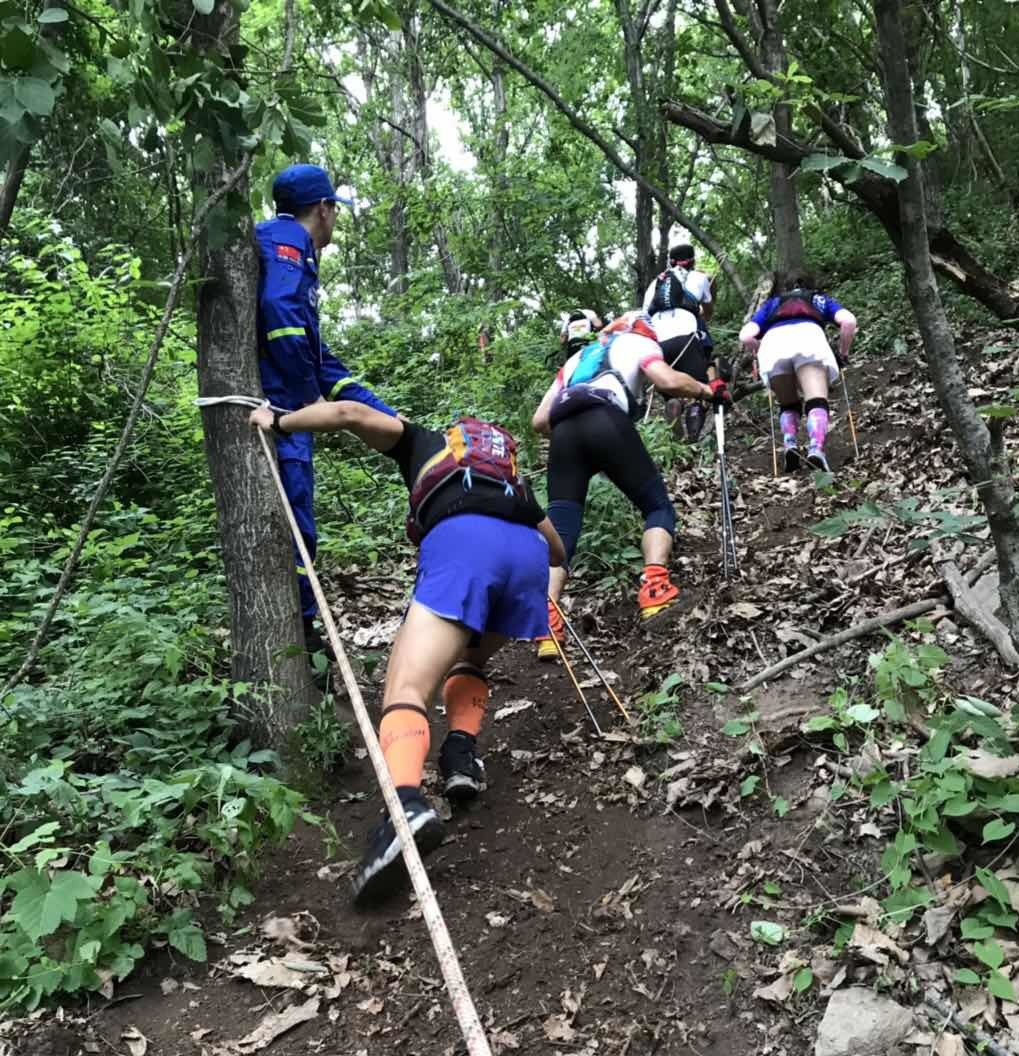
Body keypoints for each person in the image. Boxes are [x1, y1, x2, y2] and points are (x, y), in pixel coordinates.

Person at [248, 398, 566, 905]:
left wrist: (279, 422)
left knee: (406, 687)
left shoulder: (424, 443)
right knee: (469, 659)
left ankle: (404, 808)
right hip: (526, 559)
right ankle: (460, 755)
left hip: (464, 543)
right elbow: (557, 551)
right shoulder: (514, 485)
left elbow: (350, 414)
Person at [256, 164, 395, 680]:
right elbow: (281, 317)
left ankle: (307, 626)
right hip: (281, 409)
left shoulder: (294, 251)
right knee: (299, 524)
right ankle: (306, 629)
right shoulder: (288, 241)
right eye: (335, 209)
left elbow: (322, 361)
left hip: (290, 404)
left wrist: (386, 415)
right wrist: (302, 401)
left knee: (303, 523)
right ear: (323, 208)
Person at [532, 311, 730, 658]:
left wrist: (577, 442)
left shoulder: (578, 359)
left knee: (561, 532)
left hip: (563, 433)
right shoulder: (638, 343)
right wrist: (707, 390)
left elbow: (539, 421)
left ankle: (547, 622)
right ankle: (655, 588)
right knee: (657, 507)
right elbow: (667, 381)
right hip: (607, 419)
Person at [739, 272, 857, 473]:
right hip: (809, 338)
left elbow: (746, 336)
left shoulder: (773, 303)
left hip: (773, 345)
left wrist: (760, 349)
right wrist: (843, 354)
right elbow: (849, 322)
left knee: (788, 404)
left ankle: (790, 444)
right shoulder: (819, 298)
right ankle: (816, 449)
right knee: (816, 400)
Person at [641, 243, 715, 442]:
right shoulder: (699, 277)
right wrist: (701, 314)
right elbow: (708, 311)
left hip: (658, 342)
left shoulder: (655, 283)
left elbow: (645, 316)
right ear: (692, 260)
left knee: (671, 393)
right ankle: (693, 441)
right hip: (686, 337)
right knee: (699, 391)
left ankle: (674, 417)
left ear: (670, 262)